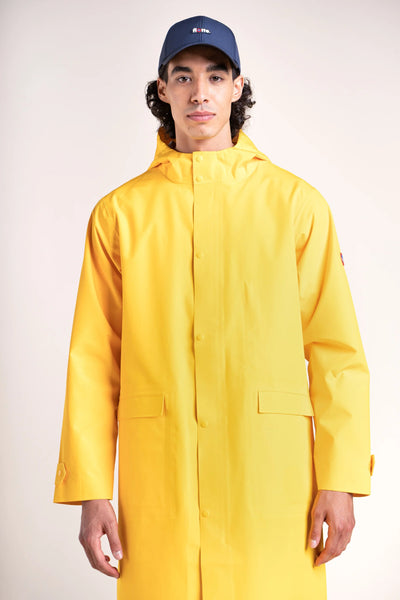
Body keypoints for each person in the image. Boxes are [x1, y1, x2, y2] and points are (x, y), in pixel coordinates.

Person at [53, 15, 374, 600]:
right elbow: (94, 360)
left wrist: (342, 478)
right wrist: (92, 489)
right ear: (162, 89)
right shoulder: (118, 215)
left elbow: (336, 352)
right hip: (162, 483)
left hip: (271, 483)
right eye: (183, 76)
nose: (199, 92)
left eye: (215, 76)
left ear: (237, 87)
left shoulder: (297, 206)